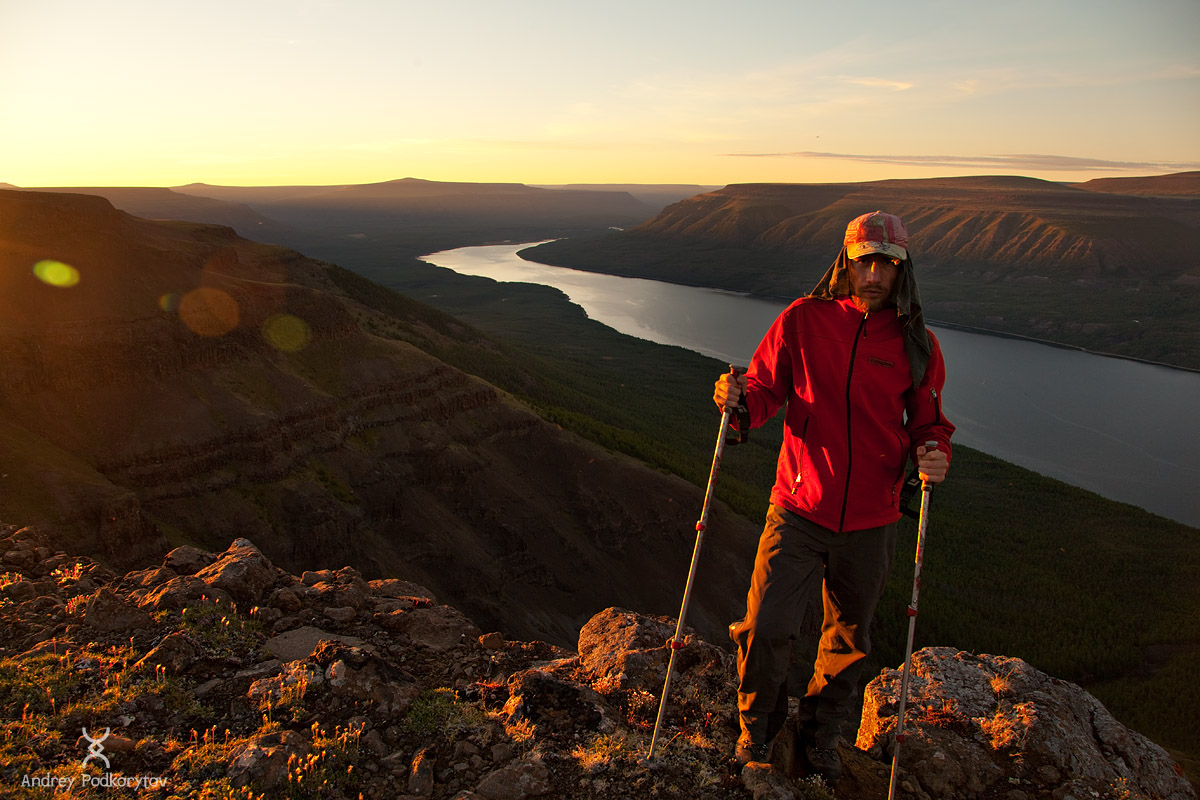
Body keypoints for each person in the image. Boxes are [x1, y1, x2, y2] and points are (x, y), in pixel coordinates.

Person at [713, 210, 955, 784]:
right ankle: (757, 733)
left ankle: (821, 737)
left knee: (848, 639)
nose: (874, 274)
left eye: (887, 264)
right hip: (797, 507)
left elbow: (930, 422)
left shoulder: (916, 343)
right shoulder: (802, 320)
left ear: (901, 271)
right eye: (864, 261)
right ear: (845, 263)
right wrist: (739, 403)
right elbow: (767, 390)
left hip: (873, 518)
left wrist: (934, 452)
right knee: (766, 626)